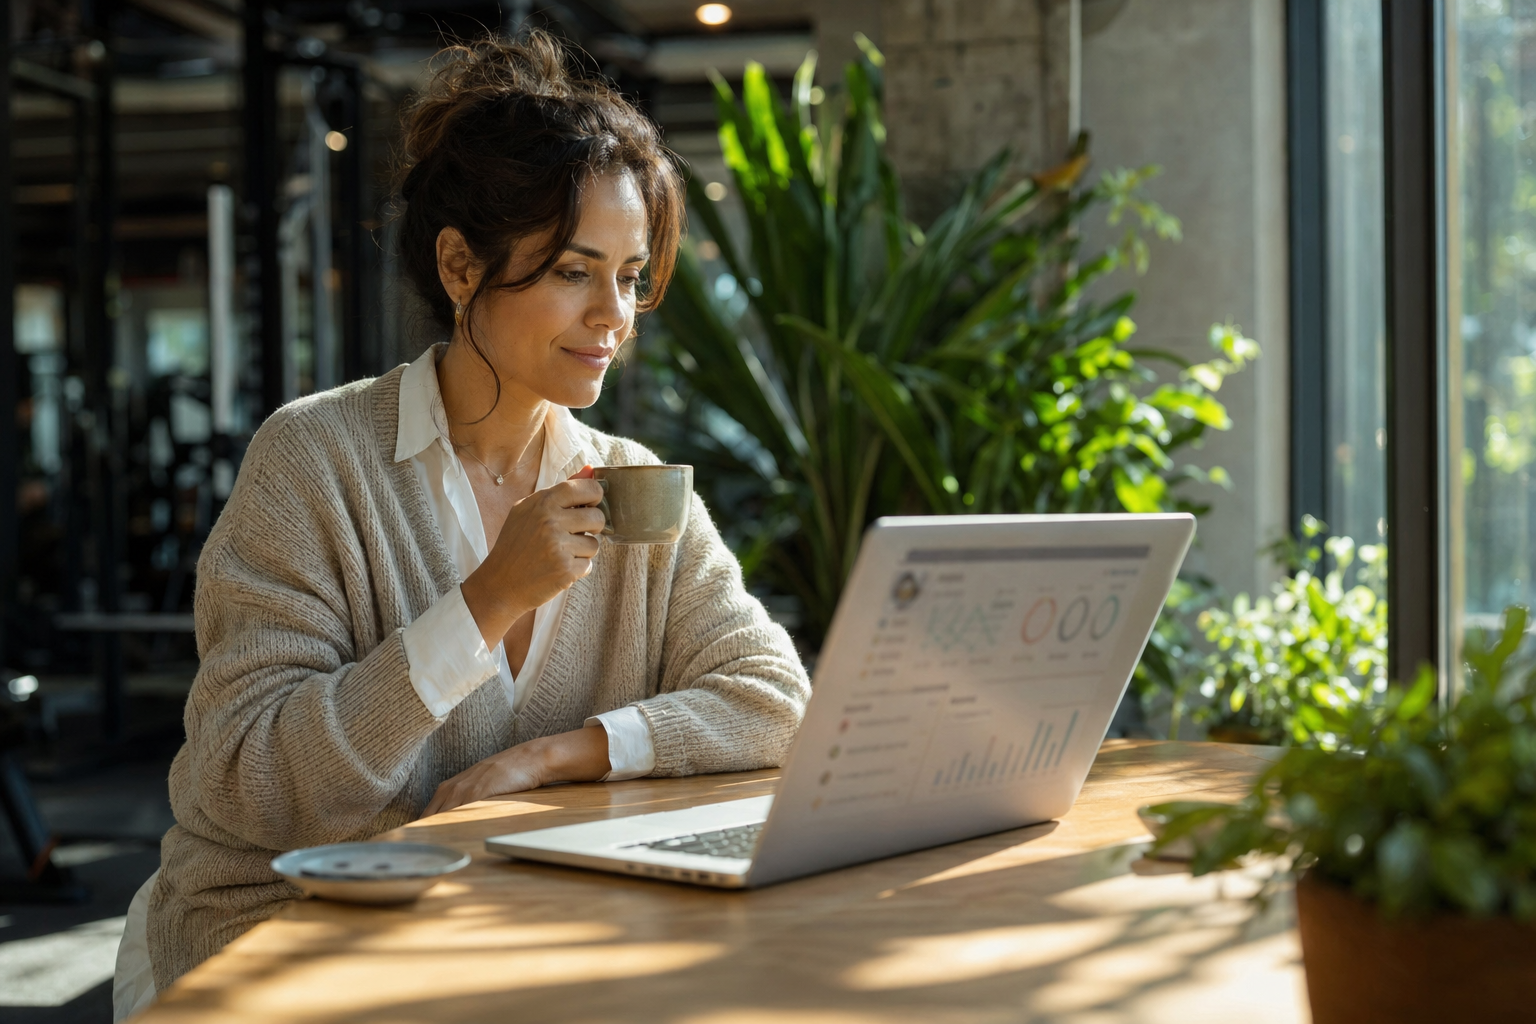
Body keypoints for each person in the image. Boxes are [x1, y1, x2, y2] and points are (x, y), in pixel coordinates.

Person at [112, 32, 810, 1018]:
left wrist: (548, 756)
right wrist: (483, 603)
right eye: (575, 270)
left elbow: (775, 700)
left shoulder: (634, 484)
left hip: (514, 939)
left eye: (631, 275)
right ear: (457, 264)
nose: (614, 315)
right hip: (280, 942)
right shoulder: (316, 459)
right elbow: (248, 779)